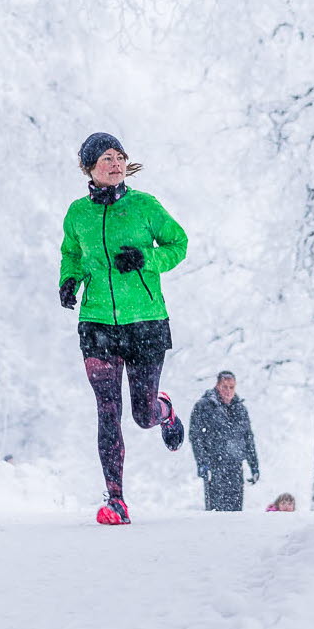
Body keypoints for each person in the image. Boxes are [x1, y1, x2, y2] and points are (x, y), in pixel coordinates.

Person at [59, 132, 188, 525]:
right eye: (106, 159)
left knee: (141, 415)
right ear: (89, 168)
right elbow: (72, 253)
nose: (115, 164)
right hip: (97, 323)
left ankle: (162, 410)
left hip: (145, 322)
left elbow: (178, 244)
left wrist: (146, 259)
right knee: (107, 410)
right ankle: (116, 500)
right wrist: (69, 279)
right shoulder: (77, 213)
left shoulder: (145, 206)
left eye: (119, 157)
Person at [189, 371, 259, 512]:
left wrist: (254, 466)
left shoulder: (240, 409)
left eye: (231, 387)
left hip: (235, 466)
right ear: (217, 386)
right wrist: (202, 463)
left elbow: (248, 438)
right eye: (224, 387)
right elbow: (196, 437)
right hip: (214, 467)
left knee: (235, 513)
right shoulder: (203, 406)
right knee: (216, 512)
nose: (228, 391)